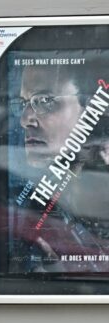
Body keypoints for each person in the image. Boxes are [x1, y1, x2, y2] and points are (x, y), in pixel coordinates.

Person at [8, 61, 109, 272]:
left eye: (45, 101)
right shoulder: (33, 197)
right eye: (23, 103)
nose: (25, 120)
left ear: (90, 109)